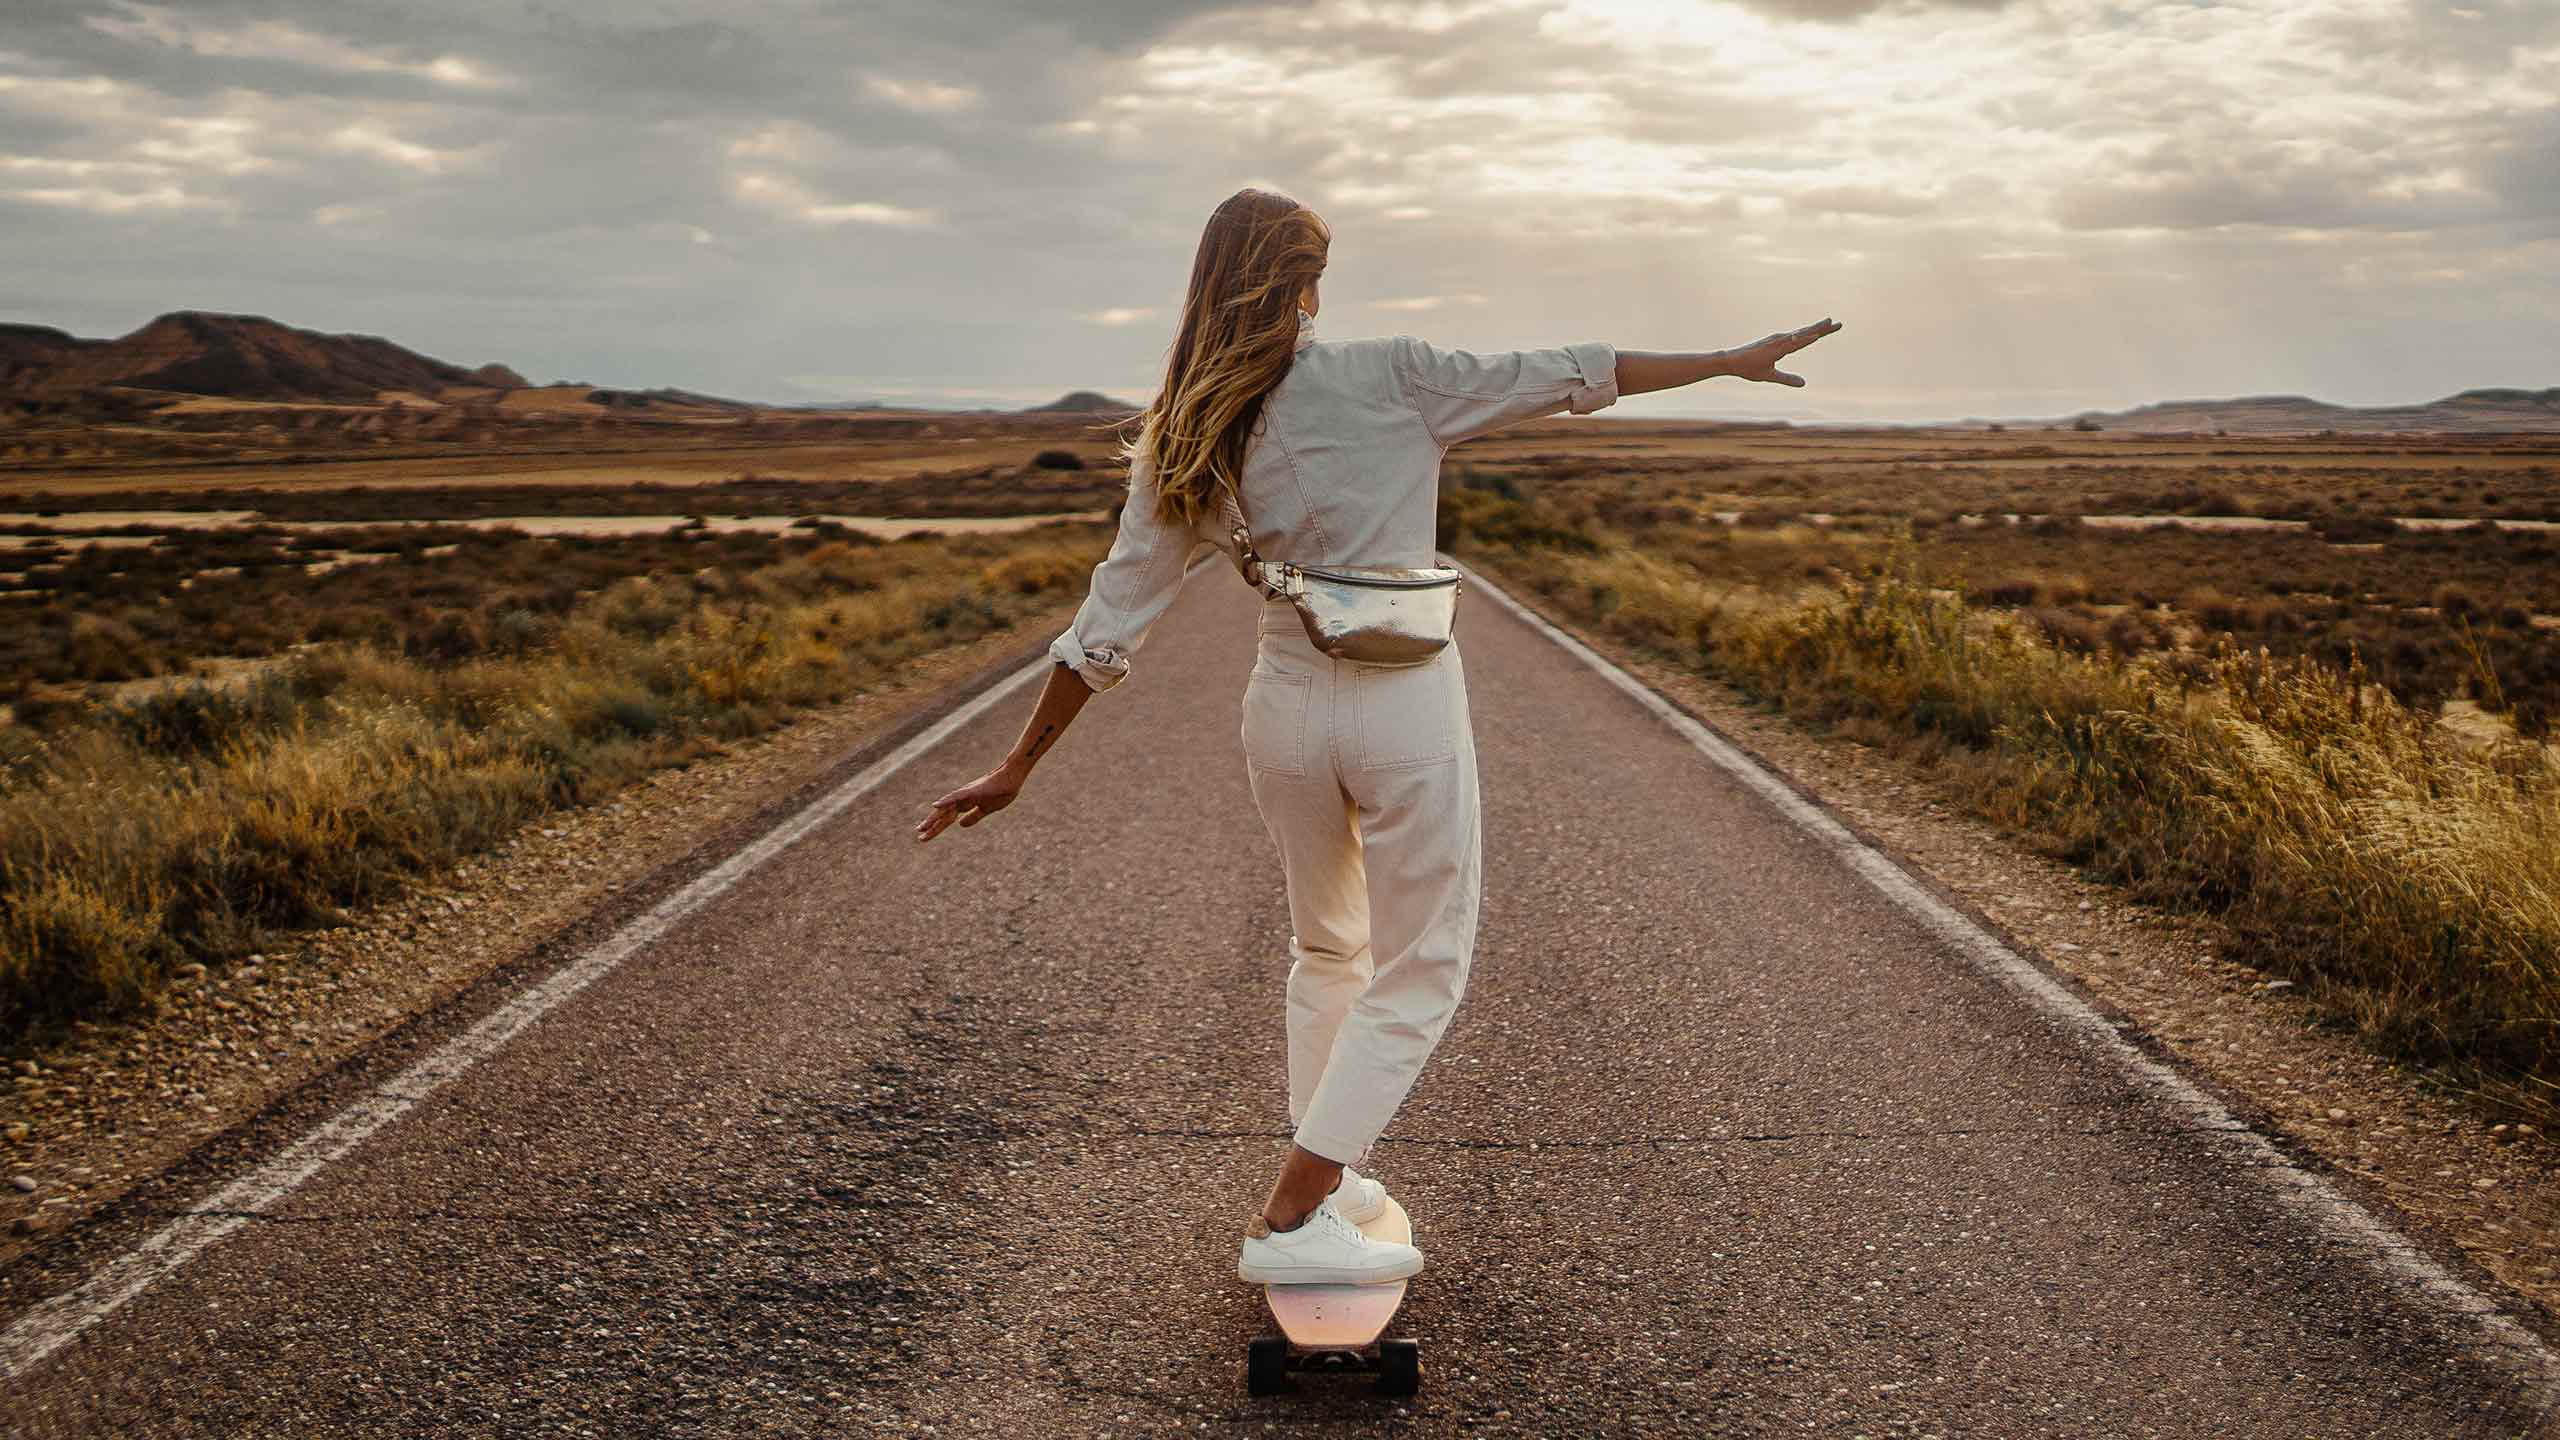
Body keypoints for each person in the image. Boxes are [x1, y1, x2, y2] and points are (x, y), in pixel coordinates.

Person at [916, 187, 1839, 1286]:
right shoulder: (1391, 373)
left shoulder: (1184, 426)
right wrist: (1726, 359)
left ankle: (1337, 1176)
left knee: (1326, 949)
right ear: (1306, 282)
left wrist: (1019, 762)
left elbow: (1109, 620)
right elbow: (1569, 372)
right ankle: (1294, 1209)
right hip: (1402, 702)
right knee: (1423, 966)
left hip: (1285, 710)